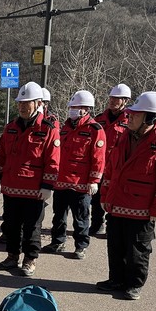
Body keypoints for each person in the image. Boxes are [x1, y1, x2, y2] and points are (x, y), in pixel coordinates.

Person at [97, 92, 156, 300]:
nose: (130, 117)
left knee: (137, 250)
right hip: (116, 205)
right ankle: (116, 279)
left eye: (136, 114)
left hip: (141, 210)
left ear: (150, 117)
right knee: (115, 246)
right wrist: (105, 196)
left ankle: (134, 284)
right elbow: (111, 170)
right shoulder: (124, 137)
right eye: (131, 113)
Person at [0, 81, 60, 277]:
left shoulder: (48, 129)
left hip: (34, 190)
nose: (22, 107)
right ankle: (12, 256)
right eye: (20, 103)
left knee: (32, 228)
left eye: (26, 103)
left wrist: (47, 185)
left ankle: (30, 259)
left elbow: (53, 160)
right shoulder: (11, 127)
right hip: (11, 187)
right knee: (11, 225)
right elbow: (2, 155)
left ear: (38, 103)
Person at [42, 90, 105, 260]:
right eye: (71, 107)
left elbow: (98, 158)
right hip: (61, 181)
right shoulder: (65, 128)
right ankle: (57, 241)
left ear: (86, 109)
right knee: (59, 216)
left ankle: (81, 246)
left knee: (81, 218)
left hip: (81, 183)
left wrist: (94, 180)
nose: (72, 110)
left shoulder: (95, 130)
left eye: (76, 107)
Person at [91, 84, 131, 235]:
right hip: (100, 166)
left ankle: (111, 228)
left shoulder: (130, 121)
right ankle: (96, 224)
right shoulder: (99, 119)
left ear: (125, 101)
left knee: (113, 197)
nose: (113, 101)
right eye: (111, 98)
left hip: (117, 168)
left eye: (117, 98)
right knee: (96, 198)